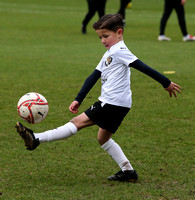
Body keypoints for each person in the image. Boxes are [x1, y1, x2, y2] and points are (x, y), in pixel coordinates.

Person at [16, 14, 181, 182]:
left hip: (111, 103)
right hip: (120, 104)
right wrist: (78, 99)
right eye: (100, 37)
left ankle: (36, 138)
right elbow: (93, 76)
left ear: (119, 33)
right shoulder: (110, 52)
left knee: (76, 123)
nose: (102, 40)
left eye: (106, 36)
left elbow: (142, 67)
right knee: (103, 138)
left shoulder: (120, 51)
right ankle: (128, 171)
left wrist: (166, 82)